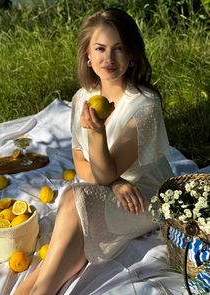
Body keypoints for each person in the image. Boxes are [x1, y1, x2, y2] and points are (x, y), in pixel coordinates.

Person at [14, 8, 173, 295]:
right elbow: (79, 160)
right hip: (113, 186)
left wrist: (97, 134)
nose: (108, 59)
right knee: (74, 204)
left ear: (133, 56)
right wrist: (113, 183)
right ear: (87, 54)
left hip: (143, 196)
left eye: (118, 49)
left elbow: (103, 173)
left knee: (75, 200)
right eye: (100, 49)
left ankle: (38, 289)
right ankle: (34, 287)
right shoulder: (82, 97)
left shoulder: (144, 106)